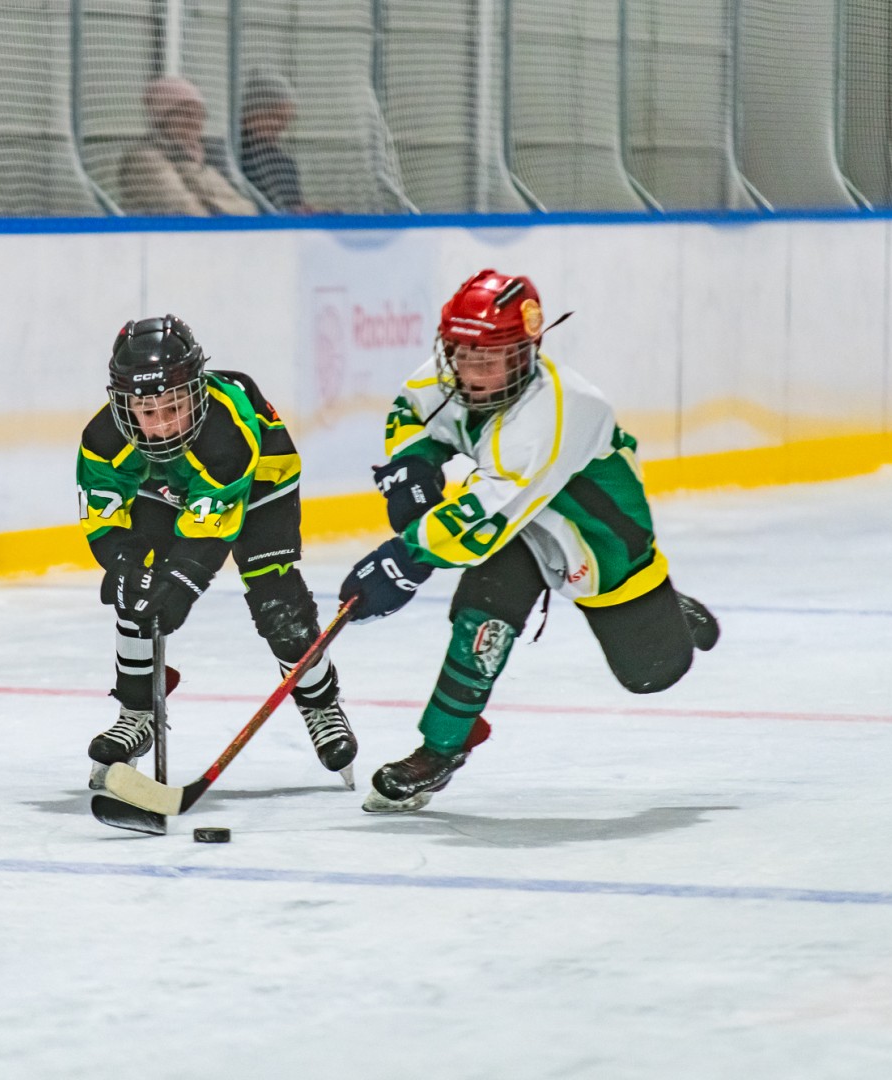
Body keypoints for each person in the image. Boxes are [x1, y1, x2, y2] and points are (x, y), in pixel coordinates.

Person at [337, 269, 720, 812]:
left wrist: (402, 561)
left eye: (488, 359)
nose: (471, 371)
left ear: (525, 352)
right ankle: (443, 745)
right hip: (517, 527)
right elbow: (411, 409)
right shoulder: (452, 373)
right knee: (481, 615)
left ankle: (668, 611)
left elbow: (478, 520)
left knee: (653, 675)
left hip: (598, 543)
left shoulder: (556, 412)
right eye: (461, 354)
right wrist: (412, 465)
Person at [79, 315, 354, 784]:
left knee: (278, 603)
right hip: (167, 489)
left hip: (263, 483)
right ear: (124, 407)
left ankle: (321, 703)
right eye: (148, 413)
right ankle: (137, 710)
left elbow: (209, 532)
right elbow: (106, 519)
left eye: (174, 408)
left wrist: (180, 587)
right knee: (135, 588)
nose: (163, 426)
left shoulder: (228, 432)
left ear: (196, 393)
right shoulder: (104, 440)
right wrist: (124, 563)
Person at [117, 76, 257, 217]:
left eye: (199, 114)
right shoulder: (145, 159)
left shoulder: (201, 160)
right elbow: (185, 211)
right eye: (185, 113)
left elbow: (248, 209)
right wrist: (218, 211)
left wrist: (212, 207)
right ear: (162, 118)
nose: (194, 121)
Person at [239, 68, 307, 213]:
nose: (281, 126)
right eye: (275, 117)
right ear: (250, 112)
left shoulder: (285, 164)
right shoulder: (236, 158)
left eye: (286, 119)